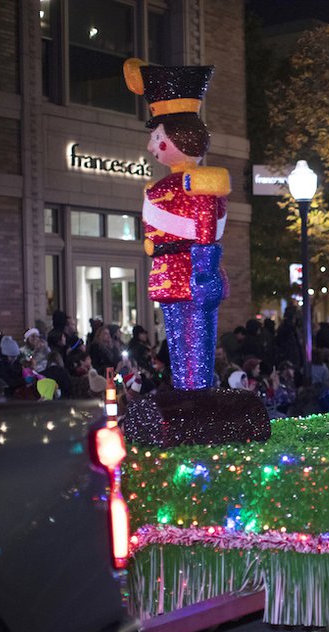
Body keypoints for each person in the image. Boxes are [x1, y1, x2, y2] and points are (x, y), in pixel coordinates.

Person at [124, 57, 229, 390]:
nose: (151, 145)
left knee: (196, 338)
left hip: (192, 271)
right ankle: (185, 388)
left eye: (157, 137)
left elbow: (205, 231)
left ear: (178, 137)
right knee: (176, 339)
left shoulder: (201, 182)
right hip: (168, 272)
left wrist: (205, 272)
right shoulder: (163, 186)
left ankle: (196, 392)